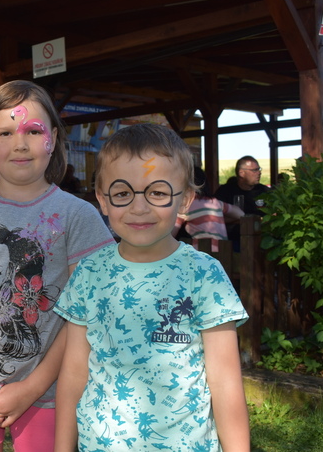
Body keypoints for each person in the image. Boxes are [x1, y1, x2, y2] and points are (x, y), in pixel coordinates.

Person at [0, 80, 115, 452]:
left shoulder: (78, 216)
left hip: (49, 392)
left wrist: (31, 388)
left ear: (54, 139)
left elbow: (85, 316)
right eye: (5, 133)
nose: (20, 144)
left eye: (33, 131)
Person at [54, 123, 250, 451]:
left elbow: (226, 383)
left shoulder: (204, 275)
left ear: (185, 199)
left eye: (157, 193)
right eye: (122, 193)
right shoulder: (89, 272)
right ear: (103, 200)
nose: (139, 207)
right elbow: (73, 374)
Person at [174, 166, 244, 252]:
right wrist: (218, 218)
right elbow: (241, 214)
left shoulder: (186, 206)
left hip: (202, 255)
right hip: (223, 253)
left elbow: (170, 235)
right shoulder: (215, 202)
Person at [214, 155, 270, 249]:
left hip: (262, 241)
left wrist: (239, 220)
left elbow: (274, 216)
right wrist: (248, 220)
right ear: (241, 173)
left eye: (259, 169)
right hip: (232, 242)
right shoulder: (225, 191)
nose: (259, 172)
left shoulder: (265, 191)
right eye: (255, 170)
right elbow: (215, 217)